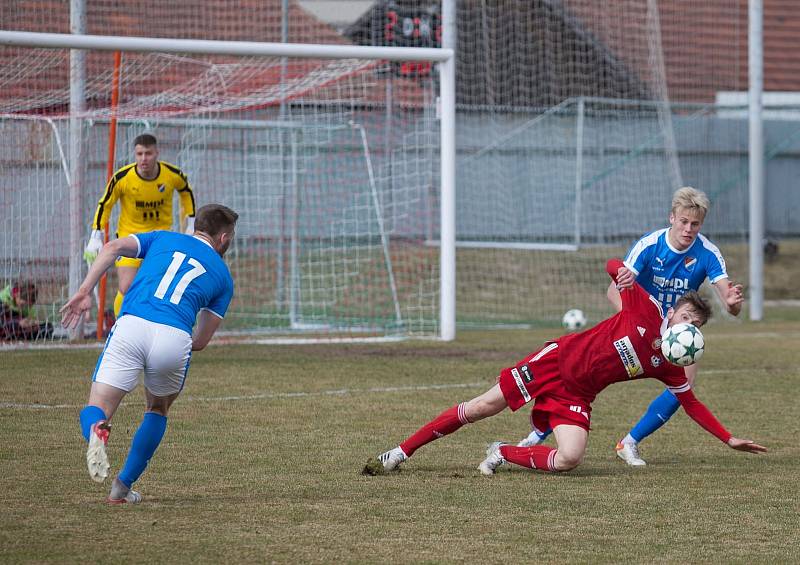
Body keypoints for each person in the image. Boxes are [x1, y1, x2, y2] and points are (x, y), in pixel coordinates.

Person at [365, 258, 765, 477]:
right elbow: (612, 267)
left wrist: (727, 438)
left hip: (577, 395)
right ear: (674, 312)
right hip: (555, 362)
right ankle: (400, 453)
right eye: (685, 318)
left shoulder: (669, 365)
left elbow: (691, 403)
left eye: (695, 325)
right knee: (482, 407)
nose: (687, 326)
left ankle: (502, 452)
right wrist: (620, 271)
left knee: (570, 458)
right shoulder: (643, 307)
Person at [517, 187, 745, 467]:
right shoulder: (651, 245)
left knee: (685, 385)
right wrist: (637, 325)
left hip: (678, 332)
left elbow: (729, 302)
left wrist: (733, 303)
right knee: (592, 374)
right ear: (672, 217)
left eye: (695, 224)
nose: (688, 229)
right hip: (636, 326)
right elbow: (615, 289)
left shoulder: (708, 252)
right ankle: (540, 431)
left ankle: (629, 443)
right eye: (683, 222)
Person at [62, 203, 237, 504]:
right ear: (223, 238)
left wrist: (84, 290)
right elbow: (201, 340)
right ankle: (121, 488)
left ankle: (95, 429)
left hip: (132, 324)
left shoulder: (163, 238)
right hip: (174, 335)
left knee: (98, 406)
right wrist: (181, 340)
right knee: (157, 409)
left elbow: (113, 247)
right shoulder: (223, 275)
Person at [84, 133, 196, 318]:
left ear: (157, 153)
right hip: (130, 236)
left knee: (158, 289)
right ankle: (120, 325)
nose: (143, 158)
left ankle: (151, 325)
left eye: (148, 153)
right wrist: (95, 235)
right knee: (126, 286)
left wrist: (191, 222)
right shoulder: (122, 178)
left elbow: (186, 191)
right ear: (135, 155)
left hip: (161, 238)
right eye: (139, 154)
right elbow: (105, 204)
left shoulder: (172, 174)